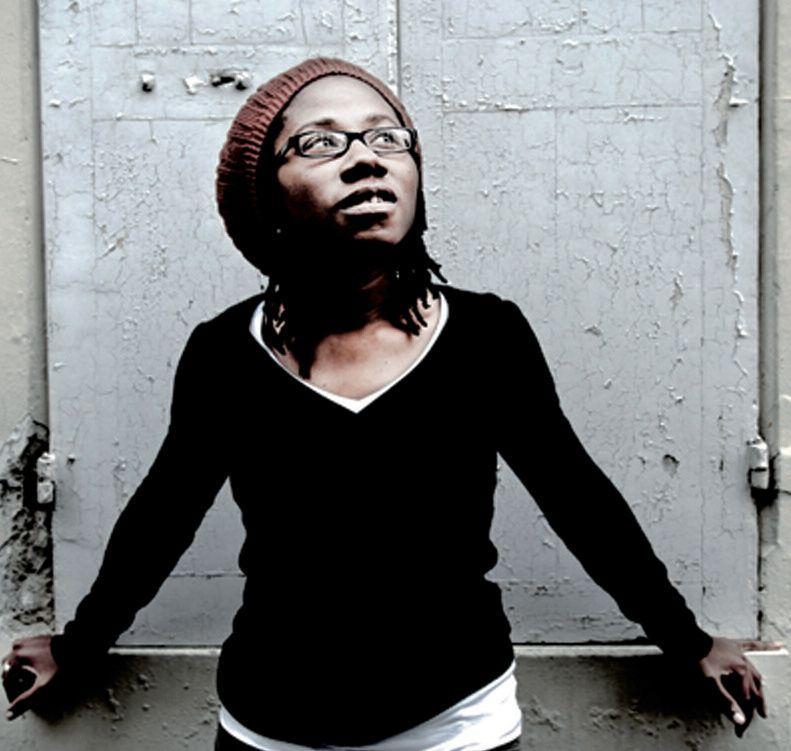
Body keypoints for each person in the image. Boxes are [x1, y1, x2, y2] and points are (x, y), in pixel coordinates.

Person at [2, 57, 778, 749]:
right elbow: (162, 515)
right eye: (320, 142)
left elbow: (577, 498)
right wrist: (78, 645)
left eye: (386, 137)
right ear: (266, 195)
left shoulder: (486, 335)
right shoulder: (224, 352)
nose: (364, 157)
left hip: (455, 722)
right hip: (268, 724)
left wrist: (684, 640)